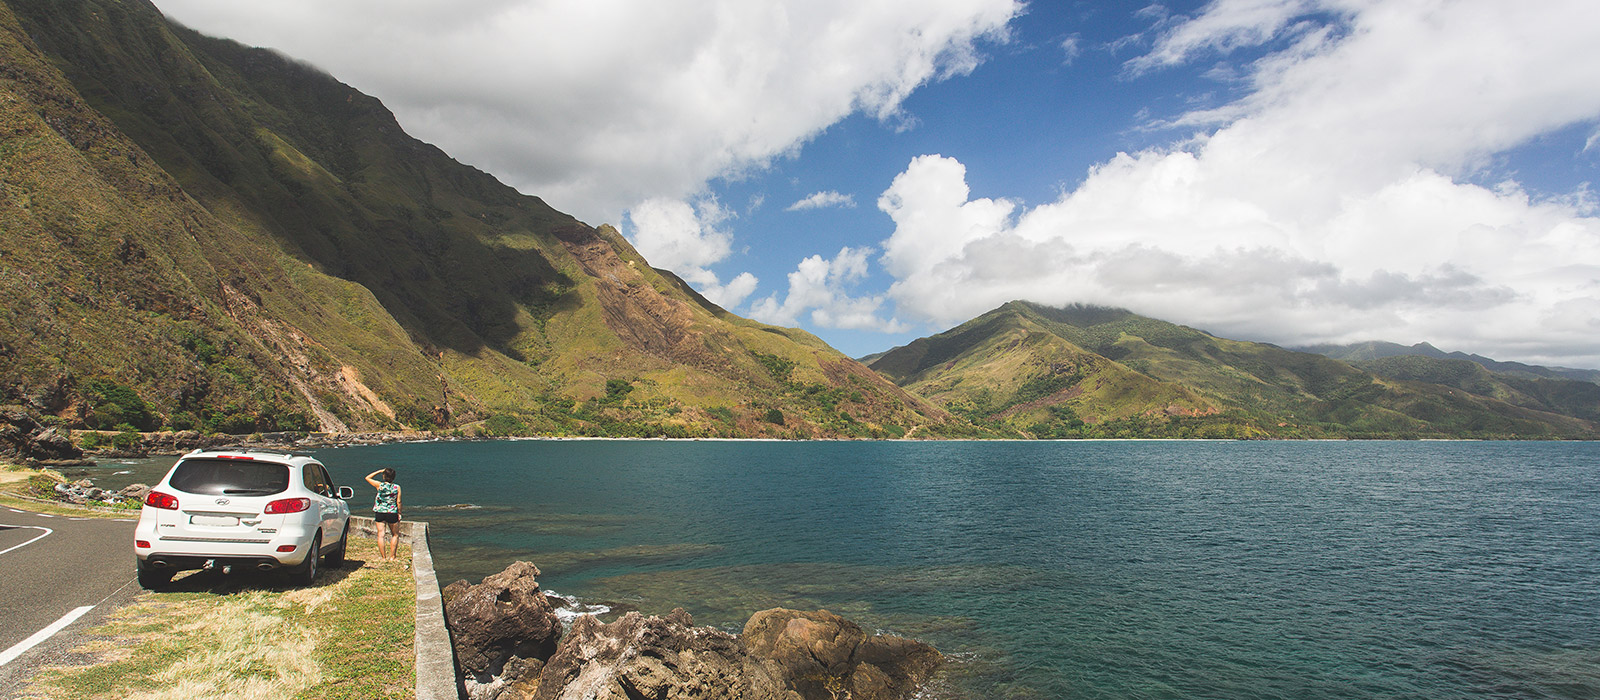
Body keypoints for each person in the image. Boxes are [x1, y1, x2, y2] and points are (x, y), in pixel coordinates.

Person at [365, 468, 403, 562]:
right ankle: (392, 557)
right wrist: (399, 513)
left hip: (380, 511)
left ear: (384, 476)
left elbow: (367, 477)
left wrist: (379, 471)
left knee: (381, 534)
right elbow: (399, 501)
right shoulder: (397, 487)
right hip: (392, 512)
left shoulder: (379, 485)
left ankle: (383, 557)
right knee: (395, 535)